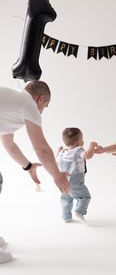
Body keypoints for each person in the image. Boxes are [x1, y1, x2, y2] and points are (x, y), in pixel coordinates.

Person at [0, 81, 70, 264]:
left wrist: (28, 166)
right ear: (41, 99)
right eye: (44, 107)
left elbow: (9, 144)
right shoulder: (27, 103)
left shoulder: (12, 103)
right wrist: (57, 175)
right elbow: (42, 149)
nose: (41, 112)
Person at [56, 127, 97, 223]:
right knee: (85, 197)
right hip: (75, 181)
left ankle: (66, 216)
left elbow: (57, 162)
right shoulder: (79, 150)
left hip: (63, 181)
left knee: (66, 197)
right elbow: (88, 155)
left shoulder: (63, 153)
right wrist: (92, 146)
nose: (83, 141)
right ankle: (79, 211)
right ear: (78, 142)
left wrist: (57, 152)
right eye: (82, 139)